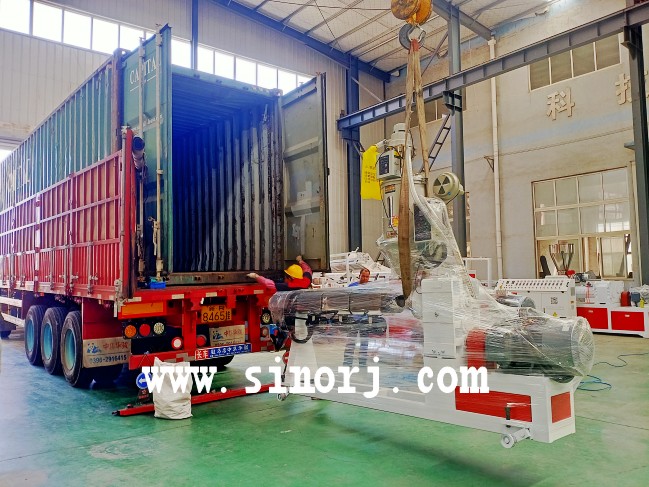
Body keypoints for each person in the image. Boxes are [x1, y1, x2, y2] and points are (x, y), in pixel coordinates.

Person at [343, 268, 372, 367]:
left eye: (367, 277)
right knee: (351, 342)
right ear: (359, 276)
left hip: (365, 318)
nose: (365, 278)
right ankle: (347, 362)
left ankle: (362, 363)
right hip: (353, 318)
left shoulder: (371, 288)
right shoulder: (352, 287)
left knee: (364, 342)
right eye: (363, 276)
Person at [247, 256, 312, 292]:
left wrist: (256, 276)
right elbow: (307, 269)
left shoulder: (291, 285)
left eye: (287, 276)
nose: (286, 277)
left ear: (292, 277)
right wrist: (300, 261)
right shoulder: (307, 280)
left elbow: (271, 285)